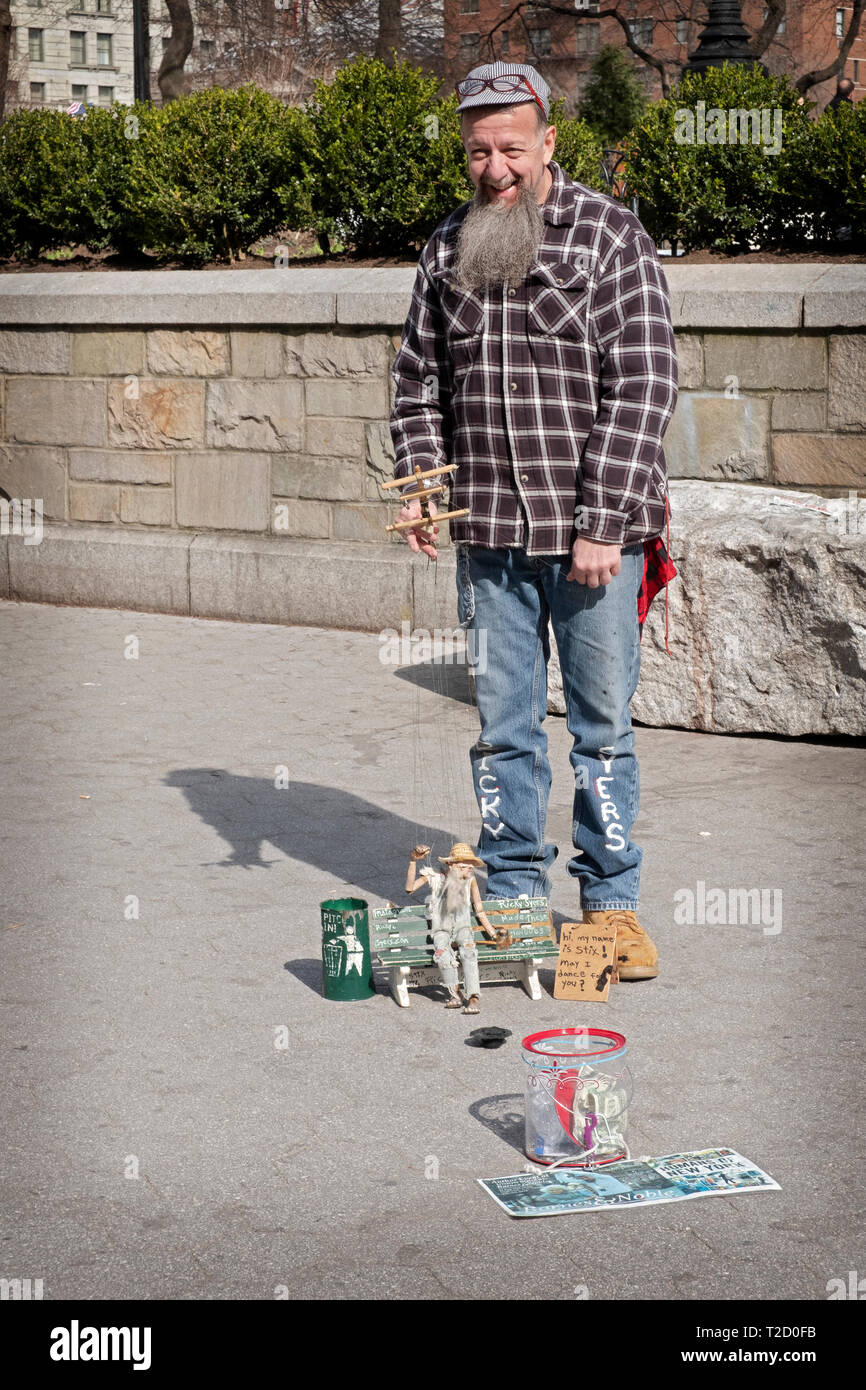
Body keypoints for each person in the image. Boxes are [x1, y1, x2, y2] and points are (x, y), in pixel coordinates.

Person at [389, 61, 678, 982]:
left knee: (601, 731)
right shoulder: (446, 248)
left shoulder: (609, 235)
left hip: (595, 541)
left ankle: (612, 905)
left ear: (549, 142)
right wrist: (421, 484)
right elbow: (416, 382)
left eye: (512, 147)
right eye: (478, 150)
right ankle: (514, 897)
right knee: (503, 728)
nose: (495, 166)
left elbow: (645, 384)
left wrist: (602, 523)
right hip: (490, 541)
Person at [405, 842, 508, 1013]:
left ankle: (474, 997)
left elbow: (479, 910)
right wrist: (413, 861)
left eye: (470, 867)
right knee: (442, 954)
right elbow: (409, 888)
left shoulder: (470, 881)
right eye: (463, 867)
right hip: (441, 929)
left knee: (469, 952)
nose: (467, 870)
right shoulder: (435, 877)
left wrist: (492, 933)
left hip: (463, 928)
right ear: (451, 865)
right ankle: (455, 994)